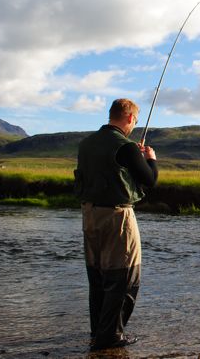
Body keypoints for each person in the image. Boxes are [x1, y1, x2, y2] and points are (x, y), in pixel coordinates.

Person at [74, 98, 158, 351]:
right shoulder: (127, 147)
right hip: (117, 217)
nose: (134, 125)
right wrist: (151, 159)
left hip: (89, 215)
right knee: (123, 277)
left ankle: (98, 332)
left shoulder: (86, 144)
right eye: (135, 120)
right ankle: (110, 336)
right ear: (130, 118)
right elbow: (149, 180)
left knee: (97, 275)